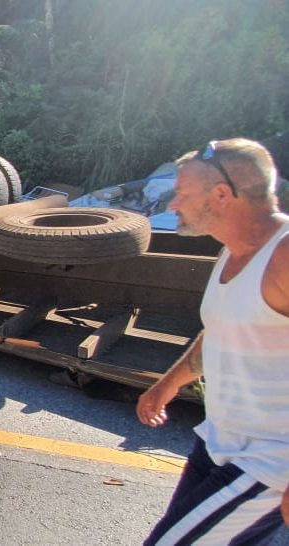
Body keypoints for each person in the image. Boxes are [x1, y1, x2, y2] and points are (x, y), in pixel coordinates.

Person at [137, 138, 289, 544]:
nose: (172, 205)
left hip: (269, 460)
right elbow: (221, 332)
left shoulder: (284, 256)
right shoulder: (231, 253)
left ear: (222, 194)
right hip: (218, 441)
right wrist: (166, 385)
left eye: (183, 193)